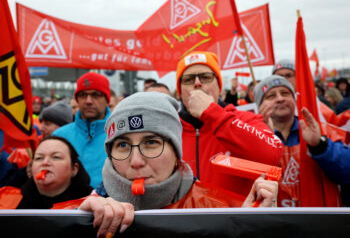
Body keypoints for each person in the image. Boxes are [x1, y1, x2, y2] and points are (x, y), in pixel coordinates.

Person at [77, 92, 278, 238]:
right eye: (122, 145)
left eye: (151, 143)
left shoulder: (220, 210)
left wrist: (246, 227)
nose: (136, 161)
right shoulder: (84, 211)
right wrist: (79, 222)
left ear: (177, 153)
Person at [175, 51, 283, 197]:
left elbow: (272, 157)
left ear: (219, 87)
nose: (197, 83)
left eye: (206, 77)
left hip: (236, 219)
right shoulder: (169, 130)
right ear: (180, 91)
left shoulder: (246, 119)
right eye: (188, 79)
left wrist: (212, 113)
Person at [254, 75, 349, 207]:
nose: (280, 99)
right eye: (271, 96)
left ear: (294, 99)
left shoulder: (318, 129)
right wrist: (260, 141)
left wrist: (320, 146)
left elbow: (347, 171)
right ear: (260, 105)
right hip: (274, 223)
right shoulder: (252, 137)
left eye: (285, 93)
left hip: (319, 222)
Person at [53, 72, 111, 188]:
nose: (88, 101)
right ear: (77, 100)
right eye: (83, 95)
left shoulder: (121, 135)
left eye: (96, 95)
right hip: (67, 204)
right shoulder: (59, 137)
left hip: (110, 203)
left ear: (107, 100)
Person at [0, 136, 92, 209]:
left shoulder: (94, 204)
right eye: (39, 158)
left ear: (74, 169)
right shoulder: (5, 199)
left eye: (56, 157)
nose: (45, 163)